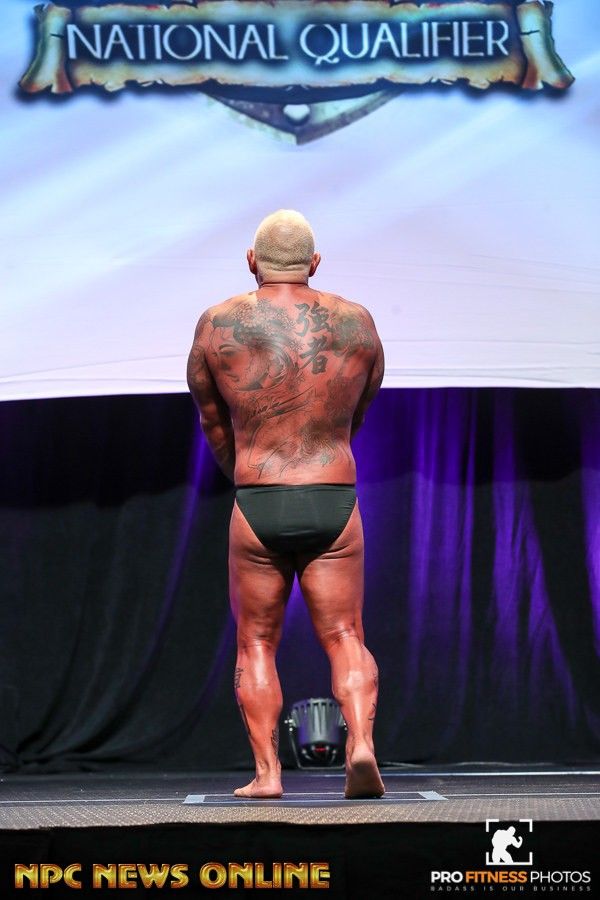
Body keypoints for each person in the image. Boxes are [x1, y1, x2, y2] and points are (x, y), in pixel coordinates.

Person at [186, 210, 385, 799]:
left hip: (259, 499)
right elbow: (361, 406)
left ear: (252, 260)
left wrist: (246, 472)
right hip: (333, 497)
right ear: (314, 263)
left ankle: (268, 774)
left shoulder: (218, 323)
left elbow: (211, 419)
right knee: (345, 633)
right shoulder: (356, 321)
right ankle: (361, 745)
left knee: (255, 642)